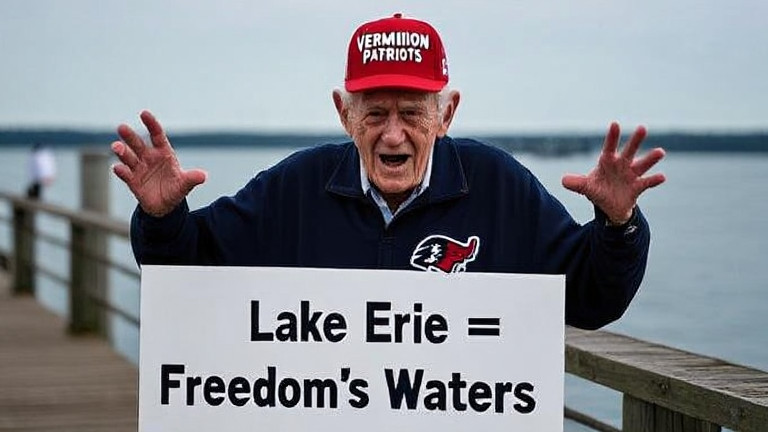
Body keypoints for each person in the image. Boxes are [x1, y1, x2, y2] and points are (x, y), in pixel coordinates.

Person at [111, 13, 665, 330]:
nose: (393, 134)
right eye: (375, 113)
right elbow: (186, 274)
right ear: (344, 114)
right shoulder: (295, 188)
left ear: (445, 114)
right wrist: (162, 217)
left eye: (412, 113)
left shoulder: (499, 187)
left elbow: (593, 299)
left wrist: (619, 226)